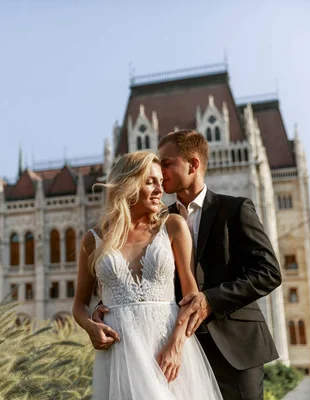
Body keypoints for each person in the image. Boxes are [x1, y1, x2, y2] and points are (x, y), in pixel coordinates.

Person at [92, 130, 283, 400]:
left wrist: (210, 300)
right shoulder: (157, 221)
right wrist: (102, 309)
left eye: (167, 163)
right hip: (174, 349)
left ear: (193, 165)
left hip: (235, 346)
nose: (160, 170)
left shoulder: (235, 209)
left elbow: (269, 272)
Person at [73, 151, 222, 399]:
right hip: (120, 353)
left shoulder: (173, 226)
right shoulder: (93, 239)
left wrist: (176, 345)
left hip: (166, 349)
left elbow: (191, 295)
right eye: (150, 181)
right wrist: (90, 327)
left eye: (161, 183)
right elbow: (79, 304)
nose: (159, 190)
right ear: (127, 183)